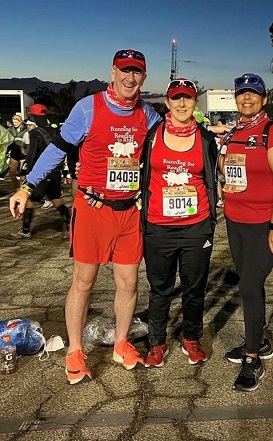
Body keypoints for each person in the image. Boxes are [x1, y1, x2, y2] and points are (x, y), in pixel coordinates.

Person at [9, 49, 162, 385]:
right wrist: (27, 186)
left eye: (137, 72)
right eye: (124, 71)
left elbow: (169, 145)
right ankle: (75, 351)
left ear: (144, 77)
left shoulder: (149, 115)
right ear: (113, 71)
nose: (130, 78)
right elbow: (57, 150)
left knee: (130, 283)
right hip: (93, 210)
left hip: (128, 213)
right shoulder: (88, 108)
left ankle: (121, 343)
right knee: (83, 282)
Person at [220, 73, 273, 391]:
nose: (246, 98)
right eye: (241, 94)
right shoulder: (235, 131)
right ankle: (260, 340)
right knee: (249, 284)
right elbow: (229, 168)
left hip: (264, 224)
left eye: (253, 93)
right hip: (235, 220)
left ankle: (253, 358)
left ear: (264, 99)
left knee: (250, 286)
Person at [141, 78, 218, 367]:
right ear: (168, 103)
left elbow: (217, 177)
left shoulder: (206, 139)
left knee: (194, 288)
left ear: (195, 103)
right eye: (176, 99)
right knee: (159, 288)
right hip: (159, 226)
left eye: (187, 98)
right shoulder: (152, 136)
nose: (182, 104)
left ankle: (191, 339)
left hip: (196, 227)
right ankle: (157, 343)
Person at [14, 116, 70, 238]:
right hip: (54, 171)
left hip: (42, 172)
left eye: (29, 125)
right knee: (56, 200)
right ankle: (70, 226)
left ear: (34, 125)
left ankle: (25, 230)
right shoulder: (50, 131)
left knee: (29, 200)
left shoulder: (35, 133)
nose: (27, 127)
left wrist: (25, 170)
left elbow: (32, 153)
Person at [7, 114, 28, 190]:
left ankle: (24, 189)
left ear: (20, 122)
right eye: (13, 122)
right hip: (14, 152)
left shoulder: (26, 129)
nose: (14, 124)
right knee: (12, 172)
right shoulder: (11, 129)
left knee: (22, 173)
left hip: (23, 152)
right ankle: (16, 185)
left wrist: (20, 139)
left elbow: (28, 139)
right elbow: (7, 138)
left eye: (16, 122)